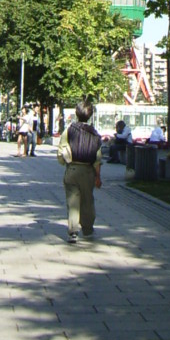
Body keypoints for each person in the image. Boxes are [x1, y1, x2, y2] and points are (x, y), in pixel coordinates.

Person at [56, 101, 102, 245]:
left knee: (73, 202)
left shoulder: (69, 130)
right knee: (88, 201)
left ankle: (73, 232)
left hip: (72, 169)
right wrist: (98, 177)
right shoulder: (95, 134)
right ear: (90, 115)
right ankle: (88, 230)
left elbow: (61, 150)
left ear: (76, 113)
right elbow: (98, 159)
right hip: (88, 171)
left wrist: (63, 161)